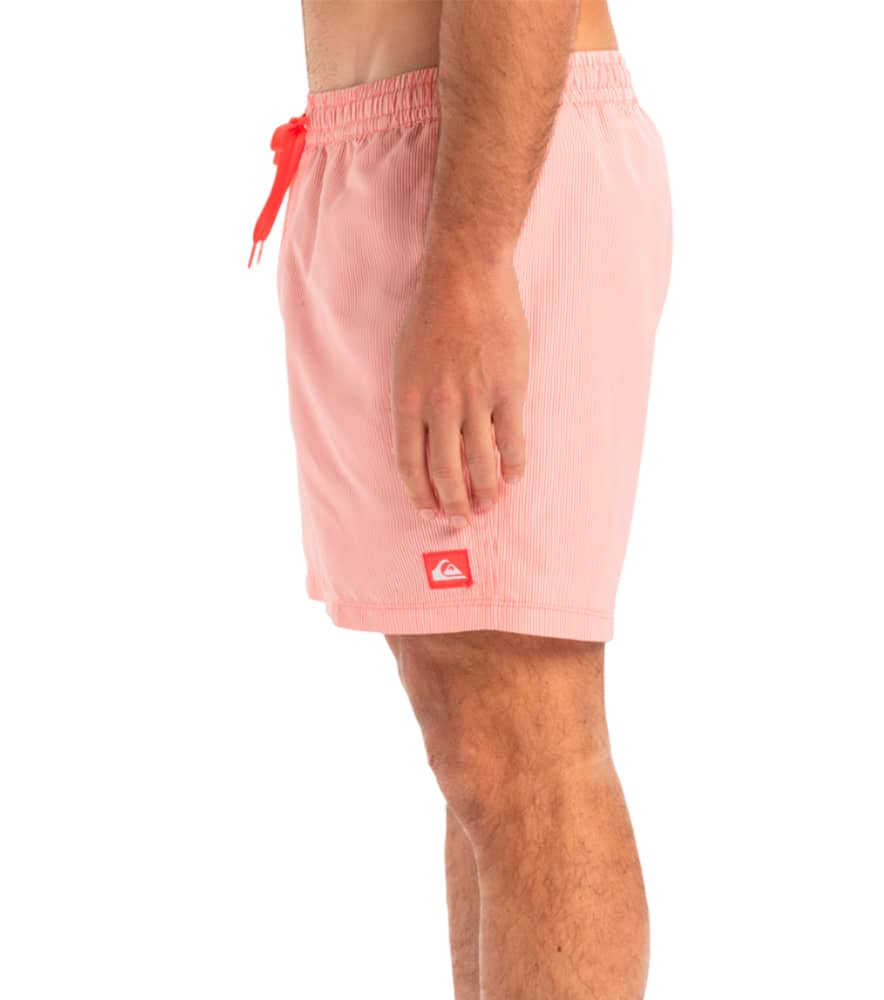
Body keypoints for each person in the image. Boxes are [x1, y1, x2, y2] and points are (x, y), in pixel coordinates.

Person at [250, 1, 672, 996]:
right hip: (398, 156)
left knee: (523, 752)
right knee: (477, 751)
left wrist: (474, 257)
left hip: (477, 170)